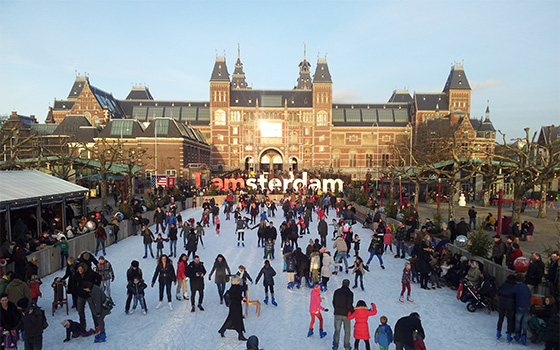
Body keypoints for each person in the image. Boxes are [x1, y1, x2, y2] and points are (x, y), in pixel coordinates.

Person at [501, 272, 532, 345]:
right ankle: (524, 337)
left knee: (518, 321)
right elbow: (529, 295)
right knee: (524, 322)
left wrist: (501, 292)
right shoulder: (526, 286)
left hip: (520, 306)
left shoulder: (516, 287)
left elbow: (508, 292)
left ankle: (517, 335)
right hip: (527, 306)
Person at [218, 277, 247, 341]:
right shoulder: (236, 288)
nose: (239, 281)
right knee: (237, 320)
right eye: (238, 280)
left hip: (234, 306)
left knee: (231, 319)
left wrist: (242, 298)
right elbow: (236, 297)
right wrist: (241, 300)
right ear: (236, 282)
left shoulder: (234, 287)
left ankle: (222, 330)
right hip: (236, 307)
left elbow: (238, 295)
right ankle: (240, 335)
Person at [332, 279, 354, 350]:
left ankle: (335, 345)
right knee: (347, 331)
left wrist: (337, 309)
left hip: (337, 313)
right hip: (346, 314)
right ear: (348, 285)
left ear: (342, 284)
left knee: (337, 330)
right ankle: (347, 346)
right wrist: (353, 311)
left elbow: (334, 302)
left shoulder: (337, 291)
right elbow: (349, 305)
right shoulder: (350, 293)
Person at [496, 274, 516, 341]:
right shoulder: (514, 286)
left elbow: (498, 293)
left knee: (500, 318)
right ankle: (508, 335)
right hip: (510, 304)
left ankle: (498, 332)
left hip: (501, 303)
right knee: (509, 320)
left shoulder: (503, 284)